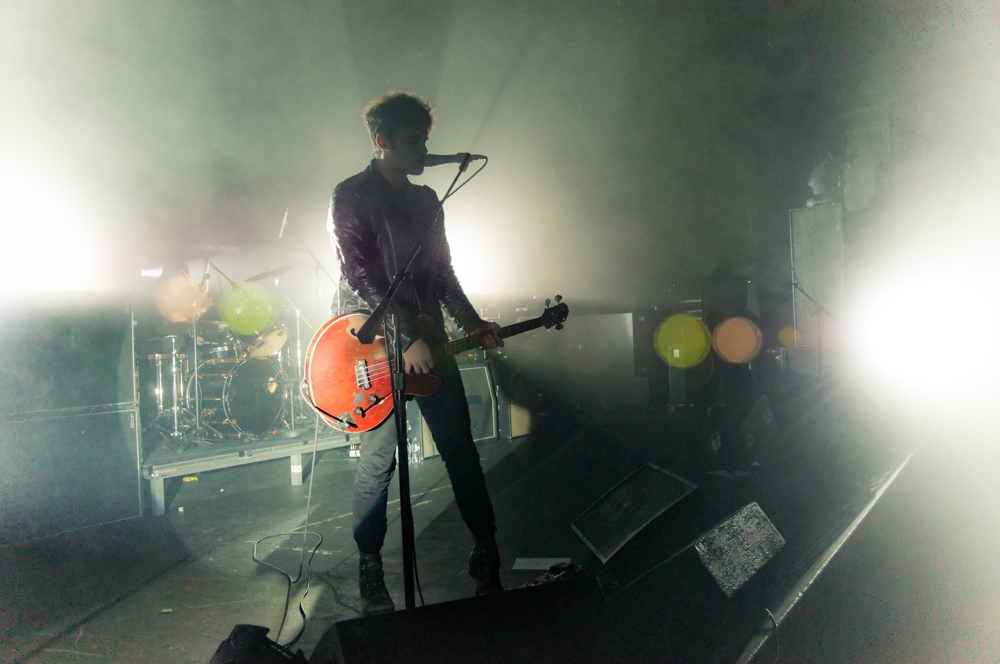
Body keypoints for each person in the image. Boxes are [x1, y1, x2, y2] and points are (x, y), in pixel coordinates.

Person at [327, 92, 504, 616]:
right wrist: (405, 337)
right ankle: (369, 564)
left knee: (460, 448)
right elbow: (360, 275)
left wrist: (473, 323)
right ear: (382, 142)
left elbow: (444, 275)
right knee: (380, 459)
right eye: (414, 141)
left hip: (427, 334)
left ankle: (487, 548)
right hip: (377, 340)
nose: (424, 149)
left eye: (426, 139)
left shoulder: (428, 201)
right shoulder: (351, 195)